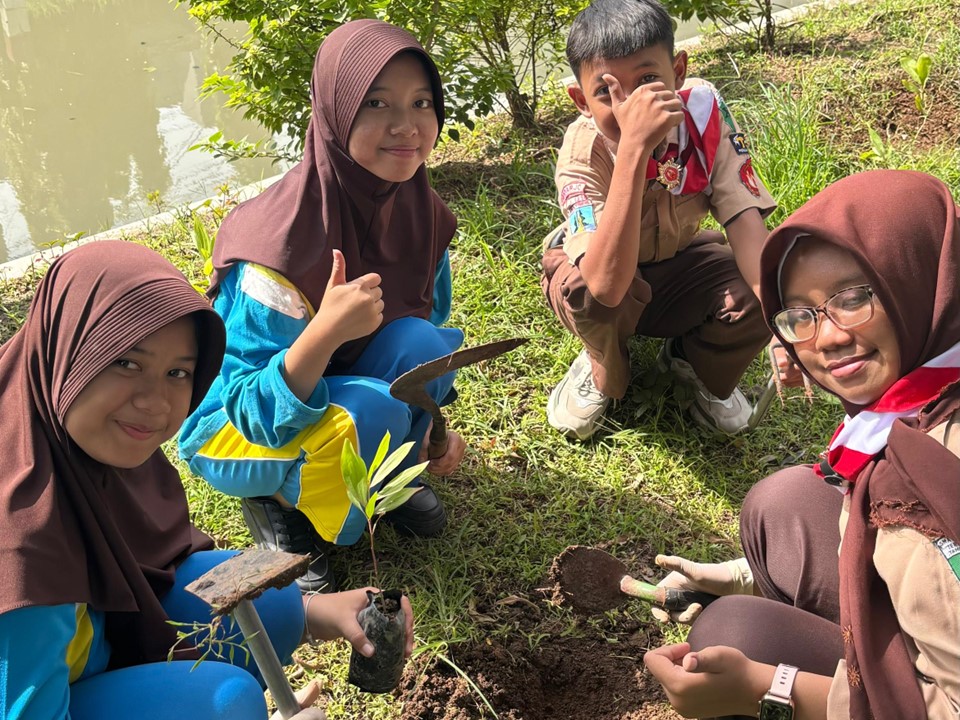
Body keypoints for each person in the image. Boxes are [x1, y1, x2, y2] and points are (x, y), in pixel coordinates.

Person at [0, 241, 414, 720]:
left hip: (87, 639)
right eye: (126, 363)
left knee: (272, 596)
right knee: (226, 704)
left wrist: (319, 613)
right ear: (64, 350)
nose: (155, 402)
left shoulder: (62, 436)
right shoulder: (23, 552)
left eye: (178, 372)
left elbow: (153, 565)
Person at [643, 170, 960, 719]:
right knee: (782, 505)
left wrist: (770, 690)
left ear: (918, 275)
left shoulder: (935, 467)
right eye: (802, 315)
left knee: (734, 634)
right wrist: (743, 576)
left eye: (853, 297)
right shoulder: (919, 401)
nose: (829, 337)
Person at [178, 19, 466, 594]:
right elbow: (246, 407)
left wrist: (433, 429)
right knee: (369, 412)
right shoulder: (280, 246)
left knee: (422, 344)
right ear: (335, 112)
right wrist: (326, 331)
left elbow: (424, 339)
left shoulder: (423, 213)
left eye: (421, 102)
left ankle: (383, 478)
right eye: (376, 103)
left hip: (330, 388)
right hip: (232, 425)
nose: (406, 126)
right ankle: (282, 504)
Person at [541, 0, 780, 441]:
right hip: (608, 275)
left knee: (764, 282)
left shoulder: (703, 117)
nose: (632, 107)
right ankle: (603, 366)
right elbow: (606, 285)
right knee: (586, 293)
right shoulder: (582, 152)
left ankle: (692, 361)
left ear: (678, 72)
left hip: (681, 260)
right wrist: (634, 148)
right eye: (607, 91)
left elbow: (744, 221)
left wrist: (783, 319)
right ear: (580, 101)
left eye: (648, 81)